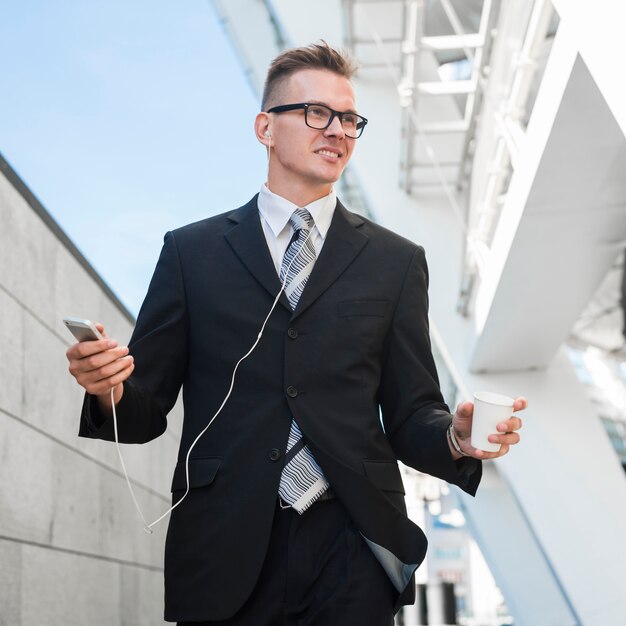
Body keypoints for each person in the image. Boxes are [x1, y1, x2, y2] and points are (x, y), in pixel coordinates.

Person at [66, 42, 525, 626]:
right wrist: (105, 386)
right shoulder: (191, 253)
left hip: (354, 545)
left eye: (350, 119)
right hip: (224, 543)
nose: (337, 131)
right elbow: (146, 407)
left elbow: (412, 416)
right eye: (316, 113)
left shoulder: (397, 261)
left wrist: (456, 437)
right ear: (265, 127)